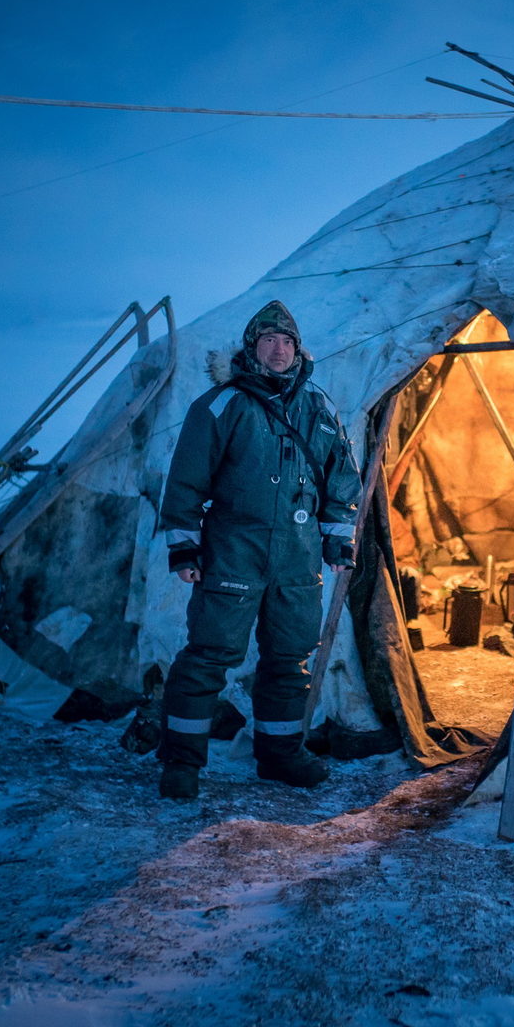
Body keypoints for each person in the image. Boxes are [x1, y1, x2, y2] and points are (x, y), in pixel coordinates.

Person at [154, 300, 362, 800]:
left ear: (298, 349)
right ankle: (181, 762)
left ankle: (280, 753)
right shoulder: (221, 405)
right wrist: (184, 549)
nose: (279, 349)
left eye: (287, 341)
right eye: (269, 340)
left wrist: (337, 538)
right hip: (233, 551)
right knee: (209, 654)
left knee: (290, 658)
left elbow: (341, 478)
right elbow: (185, 482)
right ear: (252, 347)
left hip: (297, 556)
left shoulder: (318, 406)